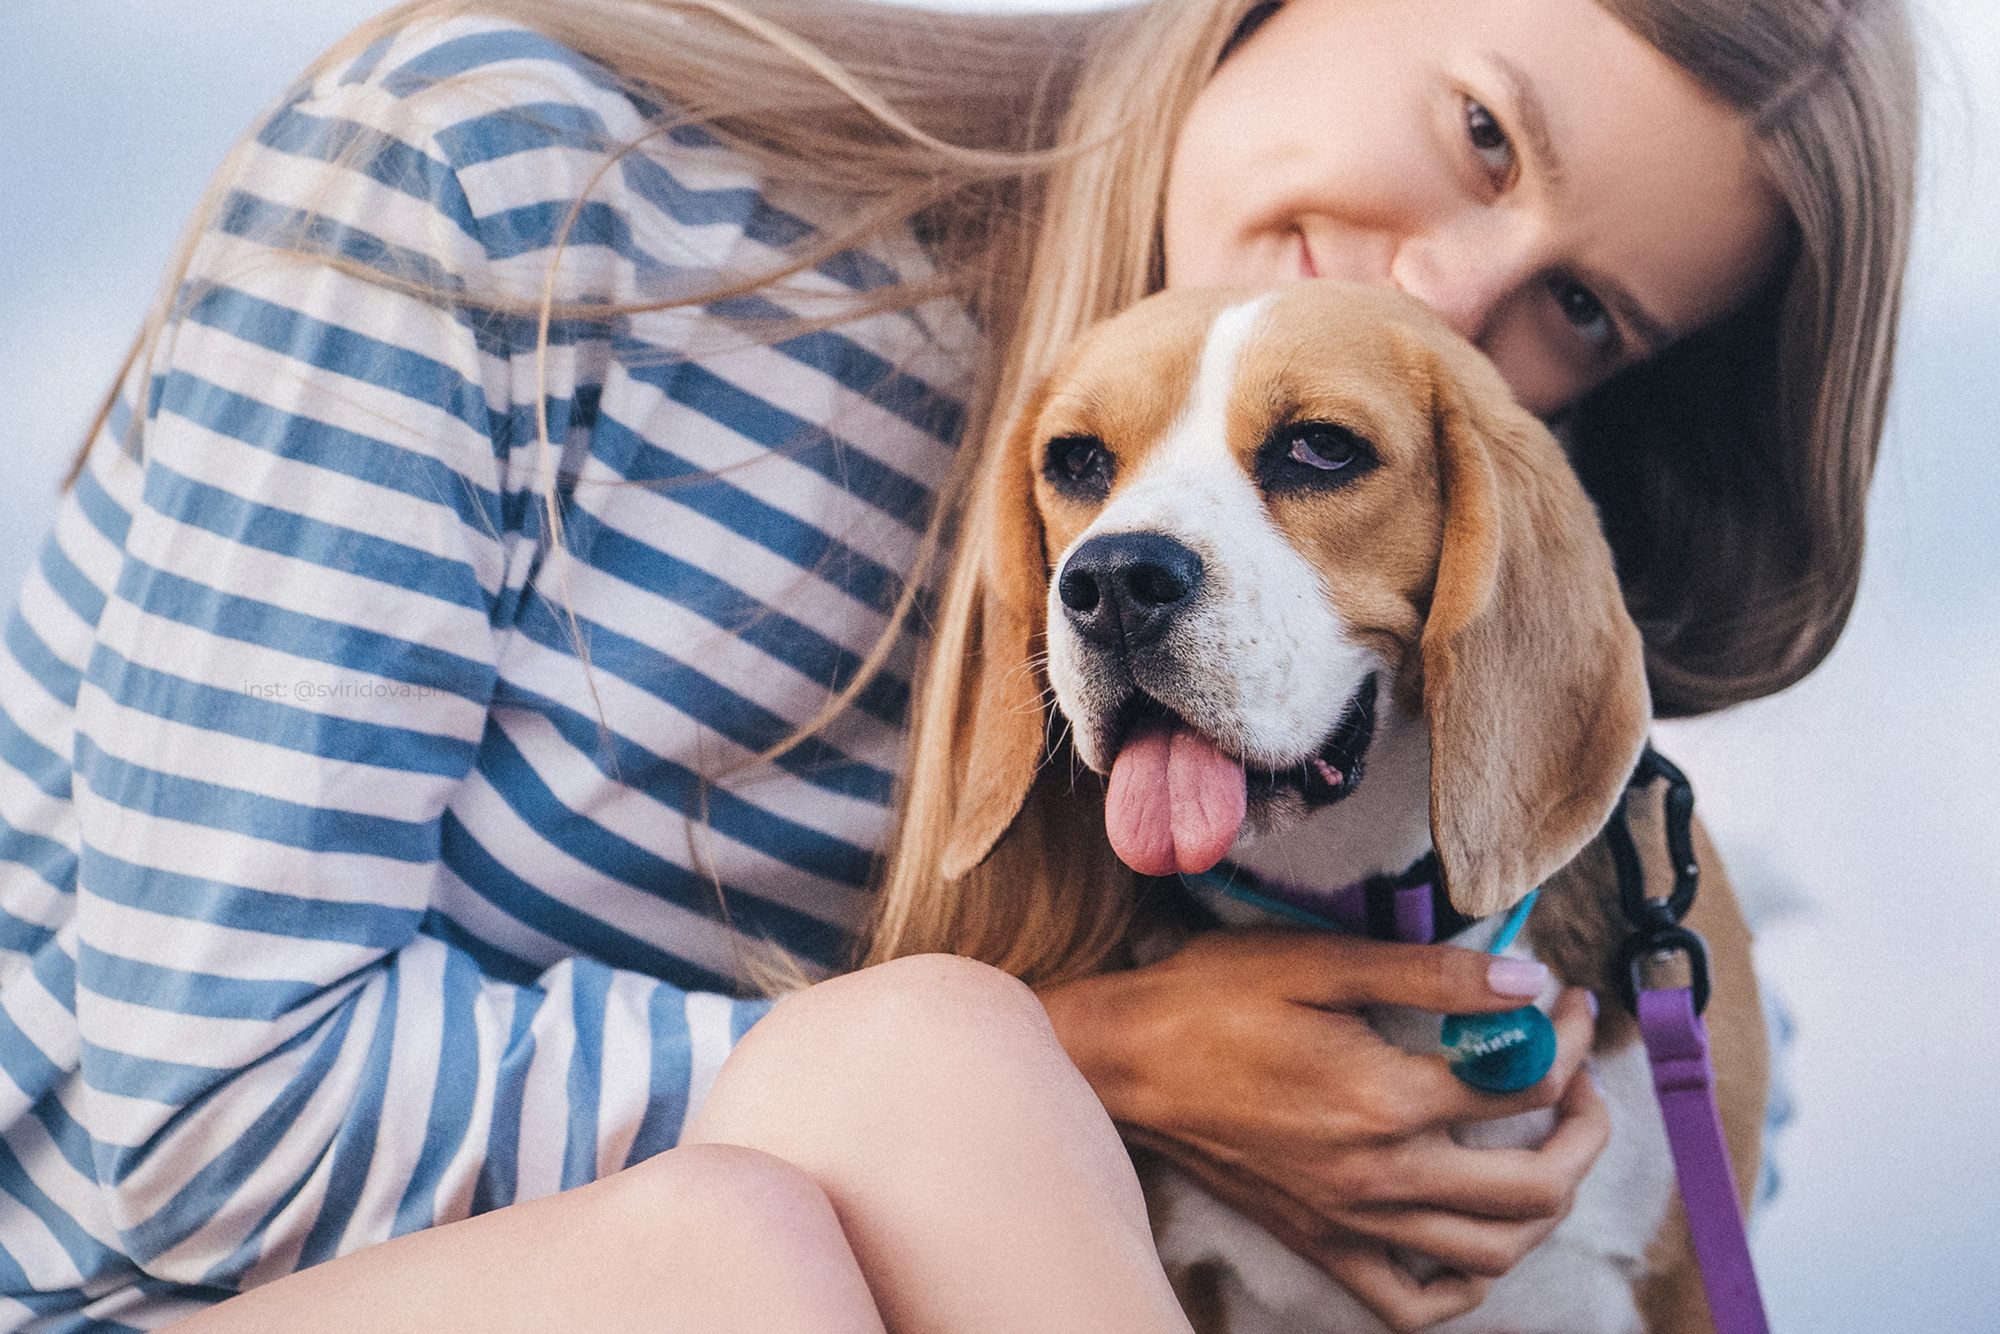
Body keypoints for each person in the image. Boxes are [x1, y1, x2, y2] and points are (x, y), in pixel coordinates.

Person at [0, 0, 1913, 1329]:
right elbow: (200, 1120)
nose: (1433, 294)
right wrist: (1081, 1073)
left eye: (1575, 308)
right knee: (772, 1225)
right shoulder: (509, 172)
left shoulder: (1294, 689)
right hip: (118, 1285)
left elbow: (1704, 1115)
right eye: (1480, 130)